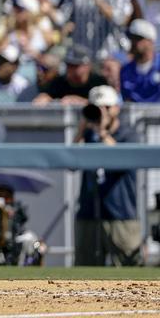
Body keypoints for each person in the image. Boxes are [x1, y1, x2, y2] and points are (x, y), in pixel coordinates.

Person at [75, 85, 142, 266]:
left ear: (116, 108)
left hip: (120, 212)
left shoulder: (128, 134)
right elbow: (71, 160)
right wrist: (81, 129)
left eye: (105, 107)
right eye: (97, 107)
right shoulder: (88, 135)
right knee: (85, 269)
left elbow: (122, 160)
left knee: (129, 267)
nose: (101, 112)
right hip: (89, 211)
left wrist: (103, 133)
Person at [35, 45, 108, 104]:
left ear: (87, 66)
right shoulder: (58, 83)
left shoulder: (99, 82)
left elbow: (108, 105)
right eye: (69, 65)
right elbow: (45, 97)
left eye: (75, 66)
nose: (71, 70)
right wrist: (50, 101)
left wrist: (82, 102)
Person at [119, 19, 160, 102]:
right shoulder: (126, 71)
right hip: (136, 114)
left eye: (138, 38)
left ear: (150, 41)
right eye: (131, 38)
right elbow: (127, 100)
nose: (134, 42)